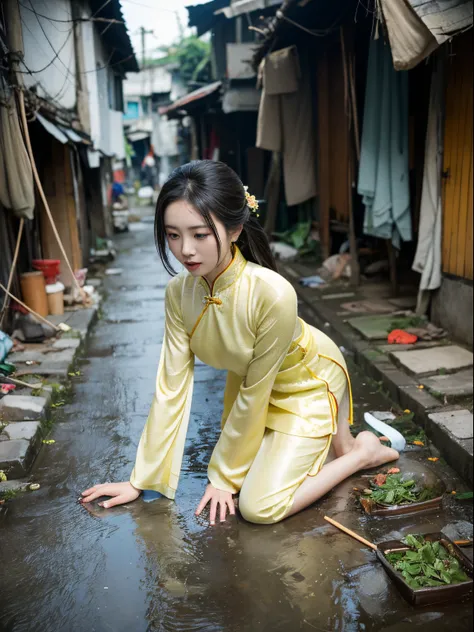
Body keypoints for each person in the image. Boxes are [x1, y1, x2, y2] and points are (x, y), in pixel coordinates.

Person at [81, 160, 399, 525]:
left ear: (235, 229)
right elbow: (171, 386)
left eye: (200, 234)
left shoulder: (272, 292)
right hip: (250, 384)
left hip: (307, 381)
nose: (185, 250)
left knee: (257, 507)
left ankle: (363, 453)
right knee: (264, 472)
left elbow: (255, 393)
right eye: (173, 235)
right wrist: (142, 479)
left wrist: (223, 477)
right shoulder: (177, 293)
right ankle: (340, 448)